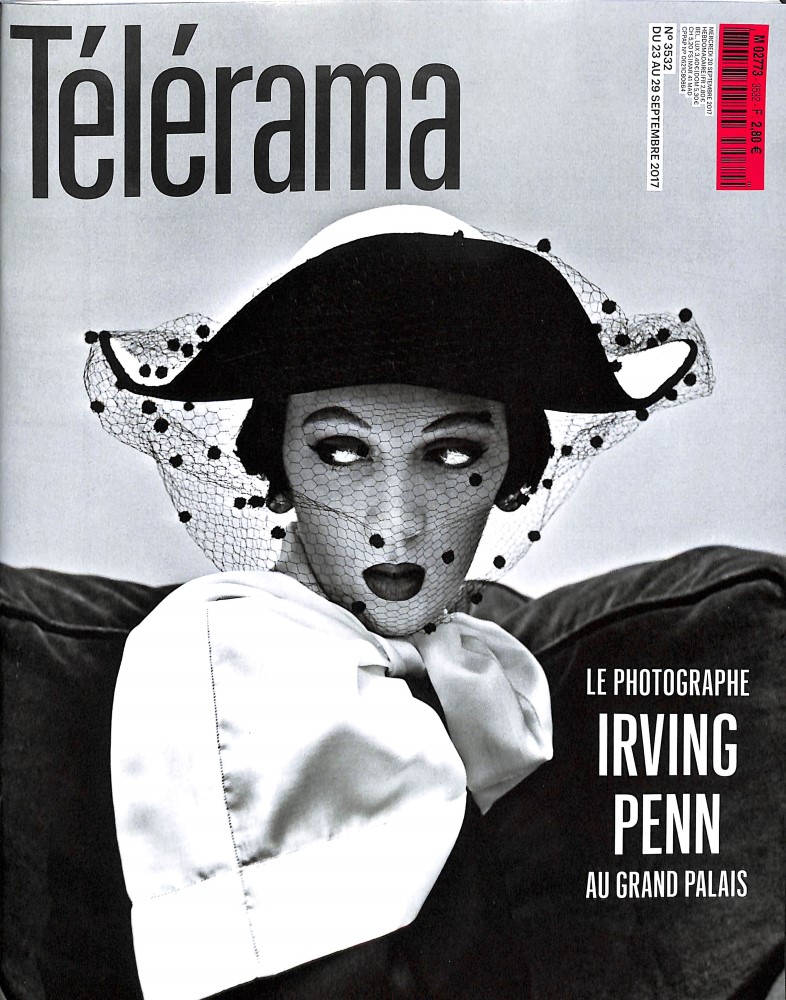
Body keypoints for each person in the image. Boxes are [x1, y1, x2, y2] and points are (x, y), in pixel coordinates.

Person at [84, 205, 713, 1000]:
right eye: (342, 451)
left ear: (511, 474)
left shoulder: (472, 678)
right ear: (278, 469)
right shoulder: (225, 648)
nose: (396, 522)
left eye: (452, 454)